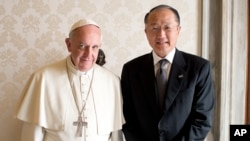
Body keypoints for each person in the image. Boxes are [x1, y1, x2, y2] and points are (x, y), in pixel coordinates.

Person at [15, 18, 124, 141]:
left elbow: (116, 133)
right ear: (69, 44)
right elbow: (32, 134)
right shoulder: (42, 78)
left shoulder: (112, 81)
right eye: (82, 46)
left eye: (94, 47)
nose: (88, 55)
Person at [121, 4, 214, 141]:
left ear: (178, 30)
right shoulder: (131, 70)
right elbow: (128, 117)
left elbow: (202, 120)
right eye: (154, 28)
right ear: (146, 32)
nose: (161, 34)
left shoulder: (199, 68)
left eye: (167, 27)